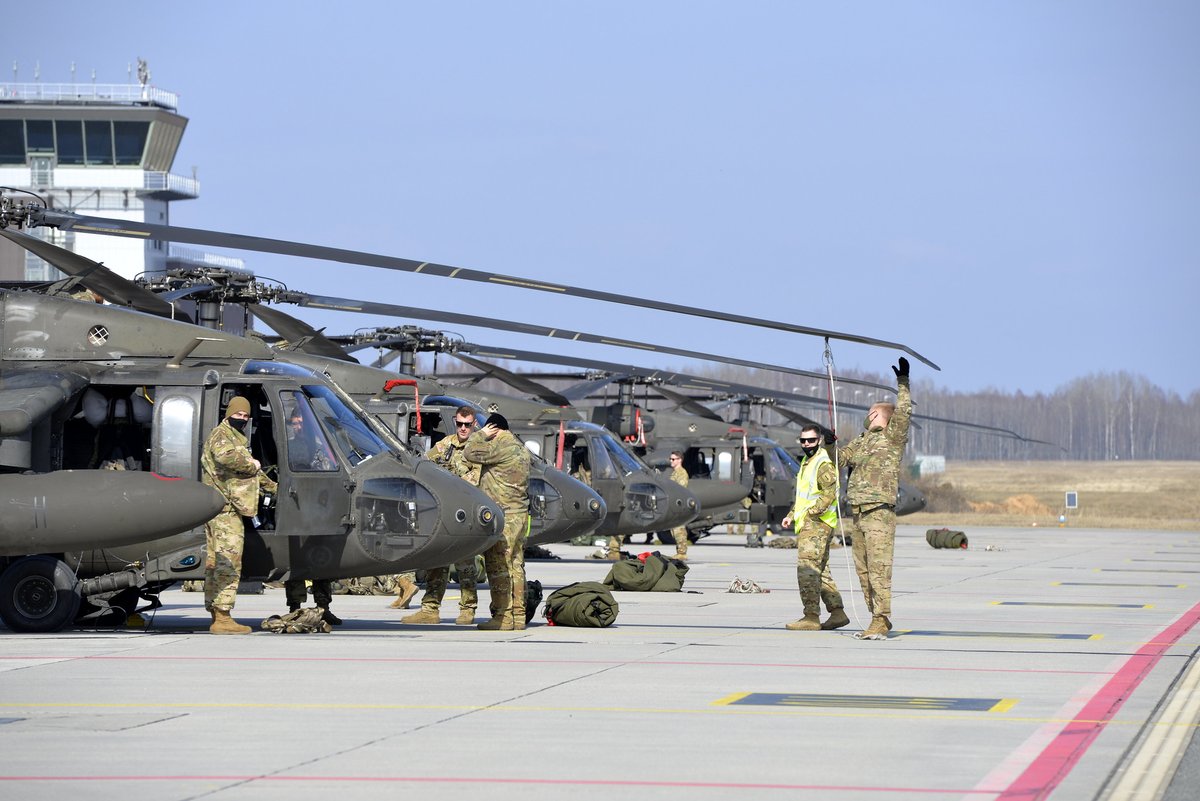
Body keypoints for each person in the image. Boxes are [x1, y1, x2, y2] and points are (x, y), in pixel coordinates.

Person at [837, 357, 912, 640]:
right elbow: (841, 458)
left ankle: (881, 617)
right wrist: (830, 443)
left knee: (879, 569)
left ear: (879, 416)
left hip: (878, 511)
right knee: (863, 570)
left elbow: (903, 413)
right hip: (858, 511)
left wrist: (903, 384)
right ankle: (875, 616)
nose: (866, 417)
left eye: (870, 413)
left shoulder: (892, 437)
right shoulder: (862, 440)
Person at [200, 396, 277, 634]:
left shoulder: (234, 438)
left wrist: (274, 488)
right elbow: (227, 458)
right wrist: (253, 466)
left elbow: (252, 472)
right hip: (225, 510)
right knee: (228, 563)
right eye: (238, 415)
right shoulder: (221, 436)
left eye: (245, 416)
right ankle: (222, 618)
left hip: (223, 508)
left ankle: (217, 614)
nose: (241, 419)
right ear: (228, 414)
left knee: (216, 562)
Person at [401, 406, 483, 626]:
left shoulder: (480, 449)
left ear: (474, 424)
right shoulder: (445, 445)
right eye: (459, 424)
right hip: (444, 512)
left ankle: (468, 609)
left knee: (465, 564)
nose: (463, 429)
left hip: (467, 513)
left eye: (467, 424)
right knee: (436, 560)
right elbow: (425, 465)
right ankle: (430, 609)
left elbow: (477, 478)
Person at [464, 412, 531, 631]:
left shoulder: (500, 446)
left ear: (494, 429)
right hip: (519, 515)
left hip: (504, 518)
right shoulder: (521, 449)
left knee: (498, 565)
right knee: (516, 566)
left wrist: (479, 435)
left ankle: (503, 617)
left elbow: (469, 452)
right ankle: (518, 616)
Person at [780, 425, 848, 632]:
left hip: (817, 523)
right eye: (803, 441)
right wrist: (792, 515)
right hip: (811, 522)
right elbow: (804, 495)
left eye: (810, 440)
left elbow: (830, 492)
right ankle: (837, 612)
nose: (806, 444)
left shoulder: (822, 463)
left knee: (807, 569)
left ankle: (811, 616)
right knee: (821, 570)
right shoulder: (806, 462)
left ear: (818, 441)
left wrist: (813, 512)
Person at [282, 410, 341, 625]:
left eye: (301, 423)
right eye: (294, 423)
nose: (297, 427)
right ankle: (295, 607)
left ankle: (323, 607)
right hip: (297, 506)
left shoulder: (322, 446)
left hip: (319, 507)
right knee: (296, 560)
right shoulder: (289, 446)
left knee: (321, 559)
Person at [668, 451, 690, 560]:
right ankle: (679, 551)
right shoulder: (674, 473)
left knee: (679, 529)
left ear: (679, 460)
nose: (671, 461)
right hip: (674, 505)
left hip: (679, 505)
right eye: (670, 459)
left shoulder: (681, 473)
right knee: (674, 530)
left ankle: (682, 553)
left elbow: (681, 490)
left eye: (673, 459)